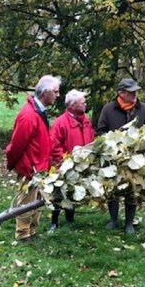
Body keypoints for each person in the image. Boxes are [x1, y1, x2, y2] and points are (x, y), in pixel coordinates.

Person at [5, 75, 61, 243]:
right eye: (55, 92)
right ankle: (22, 234)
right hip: (30, 168)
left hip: (40, 167)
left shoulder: (40, 111)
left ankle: (31, 230)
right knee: (26, 202)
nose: (58, 96)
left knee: (38, 202)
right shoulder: (29, 115)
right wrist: (14, 164)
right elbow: (17, 144)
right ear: (45, 93)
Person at [96, 78, 145, 233]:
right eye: (131, 92)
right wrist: (113, 141)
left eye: (136, 92)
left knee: (132, 189)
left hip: (136, 157)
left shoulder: (143, 109)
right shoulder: (108, 109)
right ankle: (113, 220)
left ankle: (129, 223)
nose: (135, 95)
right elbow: (100, 131)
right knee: (112, 189)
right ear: (121, 93)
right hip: (114, 157)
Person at [48, 89, 95, 231]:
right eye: (83, 102)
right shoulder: (60, 122)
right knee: (58, 194)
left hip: (81, 164)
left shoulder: (86, 120)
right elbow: (54, 145)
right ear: (73, 105)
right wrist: (64, 162)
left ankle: (70, 218)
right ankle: (54, 222)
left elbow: (91, 139)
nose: (85, 104)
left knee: (73, 192)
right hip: (64, 165)